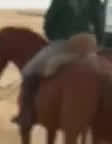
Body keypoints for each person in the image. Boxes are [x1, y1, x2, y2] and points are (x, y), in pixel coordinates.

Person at [14, 0, 104, 130]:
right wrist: (97, 44)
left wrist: (54, 38)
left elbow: (48, 23)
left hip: (63, 42)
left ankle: (26, 114)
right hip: (89, 43)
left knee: (28, 70)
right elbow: (99, 24)